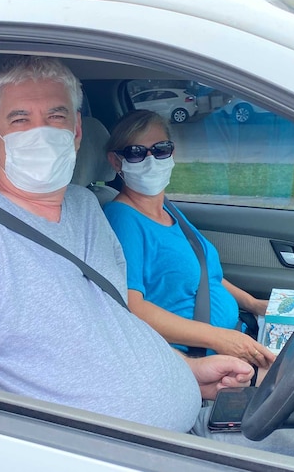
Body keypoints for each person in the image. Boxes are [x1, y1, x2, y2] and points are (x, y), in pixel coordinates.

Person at [0, 56, 294, 467]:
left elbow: (113, 324)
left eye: (57, 116)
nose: (41, 132)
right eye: (20, 120)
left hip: (193, 420)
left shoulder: (85, 209)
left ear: (76, 132)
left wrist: (188, 372)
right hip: (124, 454)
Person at [102, 110, 276, 371]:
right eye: (136, 152)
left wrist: (253, 304)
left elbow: (205, 275)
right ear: (116, 162)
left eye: (161, 149)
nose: (151, 160)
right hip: (203, 361)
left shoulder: (167, 210)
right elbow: (132, 307)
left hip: (236, 339)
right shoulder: (122, 219)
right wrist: (221, 339)